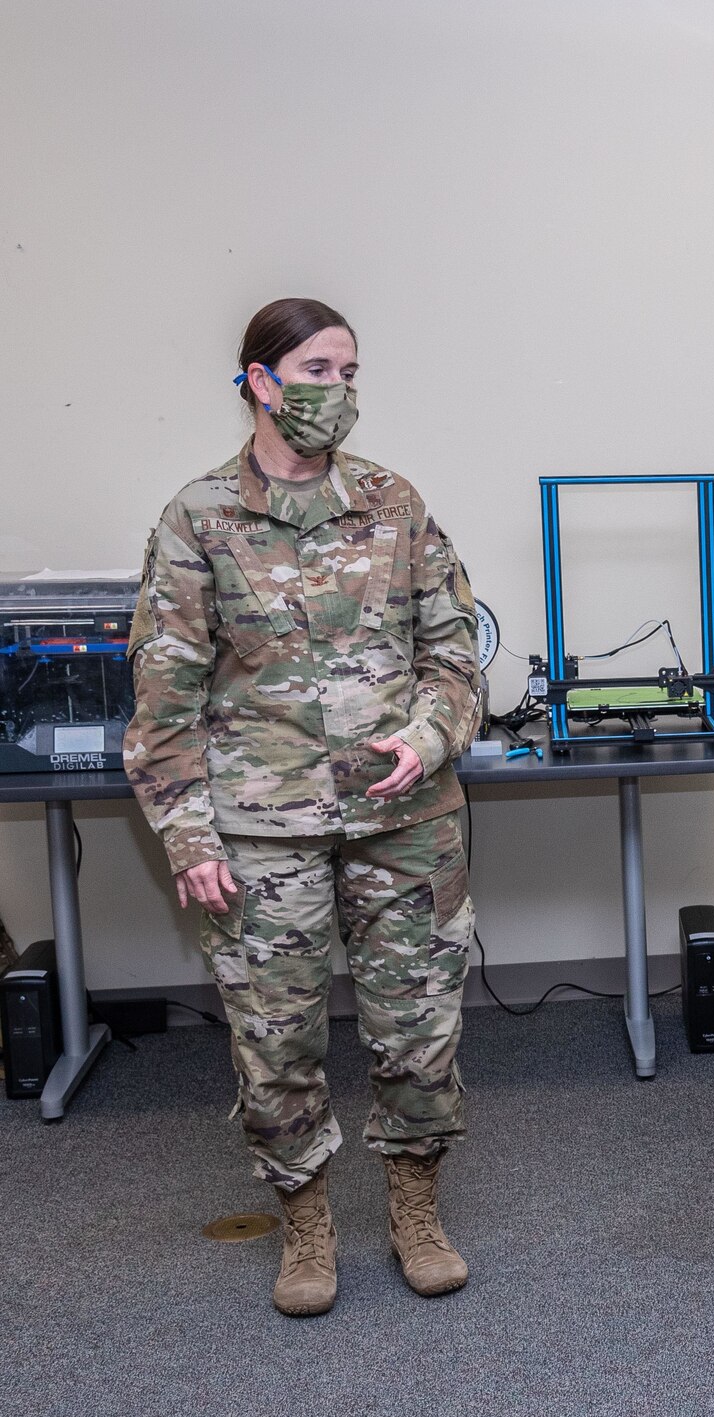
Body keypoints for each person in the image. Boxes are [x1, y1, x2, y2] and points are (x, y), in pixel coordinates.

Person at [125, 298, 483, 1316]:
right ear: (260, 380)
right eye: (318, 370)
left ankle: (415, 1207)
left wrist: (424, 738)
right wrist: (188, 834)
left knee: (419, 1034)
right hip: (259, 832)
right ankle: (306, 1222)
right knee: (275, 1044)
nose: (339, 391)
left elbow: (454, 656)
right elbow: (164, 702)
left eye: (351, 370)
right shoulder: (199, 517)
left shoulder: (394, 503)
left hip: (404, 822)